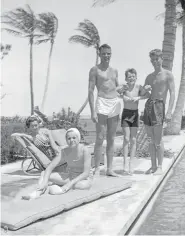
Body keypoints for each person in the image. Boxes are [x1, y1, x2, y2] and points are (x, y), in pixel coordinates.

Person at [12, 117, 93, 199]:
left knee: (83, 185)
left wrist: (59, 151)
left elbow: (54, 146)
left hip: (81, 178)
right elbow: (49, 168)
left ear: (78, 138)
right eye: (69, 138)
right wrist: (44, 182)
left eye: (74, 138)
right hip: (68, 173)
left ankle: (61, 188)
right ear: (29, 127)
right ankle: (37, 193)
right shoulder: (32, 137)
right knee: (44, 174)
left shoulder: (84, 150)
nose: (71, 140)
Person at [88, 44, 122, 177]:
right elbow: (90, 91)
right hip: (102, 103)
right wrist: (92, 111)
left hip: (114, 103)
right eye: (104, 53)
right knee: (100, 137)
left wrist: (128, 91)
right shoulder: (94, 70)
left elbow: (118, 88)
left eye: (109, 53)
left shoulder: (114, 70)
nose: (107, 56)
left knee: (111, 138)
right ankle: (97, 168)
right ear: (99, 54)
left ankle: (109, 169)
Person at [143, 49, 175, 175]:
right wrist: (144, 90)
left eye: (157, 59)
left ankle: (160, 167)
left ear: (161, 59)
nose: (154, 62)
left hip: (159, 106)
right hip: (149, 106)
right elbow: (145, 95)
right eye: (152, 60)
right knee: (150, 139)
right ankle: (153, 165)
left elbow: (172, 93)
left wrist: (169, 112)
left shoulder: (168, 74)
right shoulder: (149, 77)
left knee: (158, 139)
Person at [119, 68, 150, 175]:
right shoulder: (125, 87)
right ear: (126, 78)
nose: (131, 78)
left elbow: (147, 95)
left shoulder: (138, 87)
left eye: (133, 76)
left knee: (133, 139)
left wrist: (139, 98)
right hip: (126, 114)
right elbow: (116, 93)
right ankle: (124, 163)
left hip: (135, 114)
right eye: (129, 77)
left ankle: (131, 163)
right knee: (126, 138)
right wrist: (123, 96)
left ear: (136, 77)